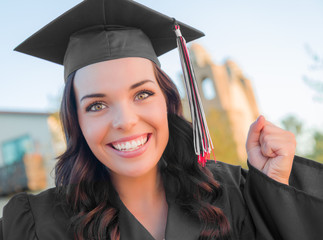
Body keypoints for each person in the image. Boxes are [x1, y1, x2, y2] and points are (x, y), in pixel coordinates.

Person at [1, 0, 323, 239]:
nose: (125, 121)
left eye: (142, 94)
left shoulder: (229, 195)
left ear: (167, 101)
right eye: (97, 105)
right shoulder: (37, 225)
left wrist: (274, 191)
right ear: (77, 123)